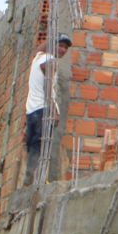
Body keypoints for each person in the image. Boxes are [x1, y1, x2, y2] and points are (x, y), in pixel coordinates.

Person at [24, 34, 72, 185]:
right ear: (53, 46)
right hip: (43, 110)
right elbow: (47, 87)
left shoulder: (37, 57)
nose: (63, 50)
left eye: (66, 48)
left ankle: (30, 179)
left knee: (33, 148)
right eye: (60, 45)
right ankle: (37, 180)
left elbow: (40, 48)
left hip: (31, 112)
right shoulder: (50, 62)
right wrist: (53, 111)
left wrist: (52, 39)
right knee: (42, 147)